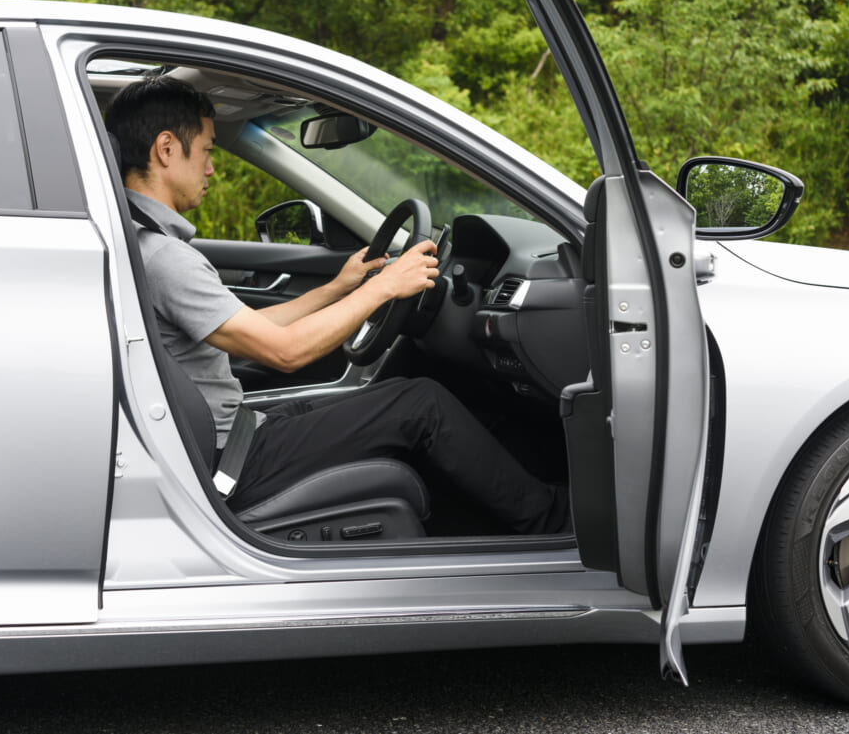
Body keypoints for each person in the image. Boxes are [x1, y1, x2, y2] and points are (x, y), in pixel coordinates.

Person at [104, 76, 569, 535]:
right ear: (167, 149)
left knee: (374, 397)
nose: (210, 169)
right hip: (232, 460)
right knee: (421, 404)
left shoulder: (144, 243)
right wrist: (384, 288)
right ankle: (551, 518)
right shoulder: (167, 258)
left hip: (230, 434)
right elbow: (285, 351)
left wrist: (338, 288)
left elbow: (251, 328)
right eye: (206, 150)